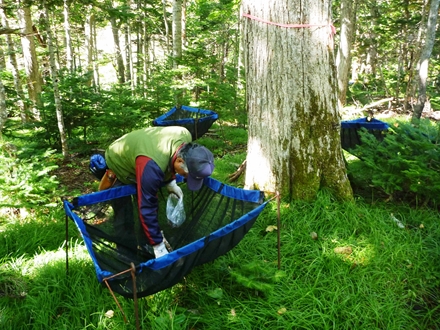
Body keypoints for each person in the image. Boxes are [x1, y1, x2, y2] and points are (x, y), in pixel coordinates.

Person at [99, 126, 215, 258]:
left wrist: (171, 181)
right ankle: (126, 254)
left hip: (143, 159)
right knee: (124, 214)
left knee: (150, 205)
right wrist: (159, 246)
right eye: (188, 175)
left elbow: (169, 156)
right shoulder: (151, 166)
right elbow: (147, 207)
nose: (187, 178)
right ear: (180, 161)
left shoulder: (185, 136)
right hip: (120, 161)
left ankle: (145, 244)